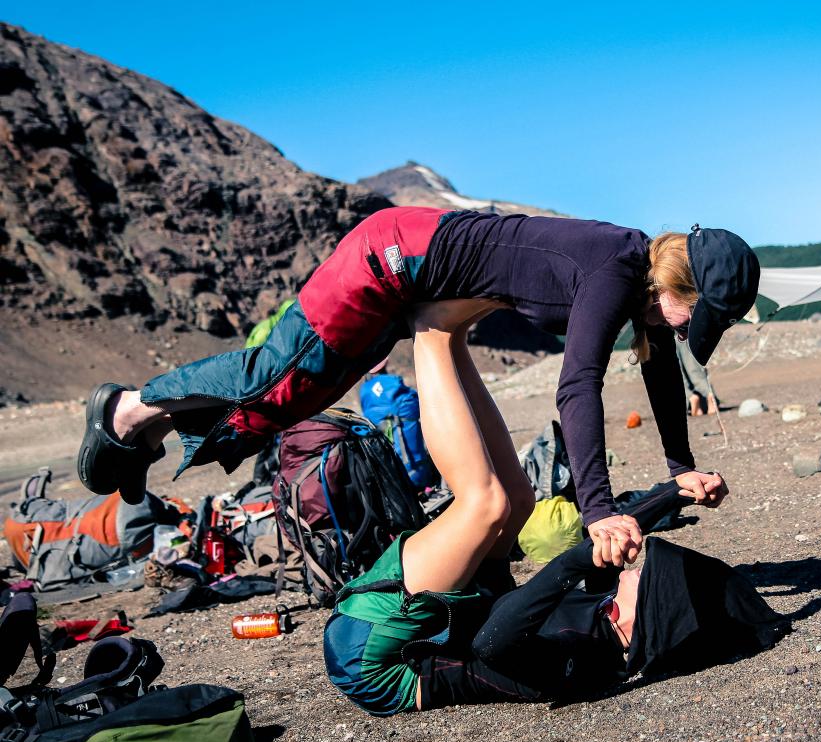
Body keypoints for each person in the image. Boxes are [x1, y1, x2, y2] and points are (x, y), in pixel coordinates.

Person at [76, 207, 760, 568]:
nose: (695, 330)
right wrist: (600, 506)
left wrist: (681, 468)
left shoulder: (643, 295)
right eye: (700, 315)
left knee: (298, 398)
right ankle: (127, 408)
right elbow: (577, 386)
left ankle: (150, 433)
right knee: (276, 375)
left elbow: (663, 382)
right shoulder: (616, 269)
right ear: (678, 285)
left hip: (415, 276)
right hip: (394, 254)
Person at [323, 477, 789, 714]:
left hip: (378, 665)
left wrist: (573, 563)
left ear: (638, 618)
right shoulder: (609, 618)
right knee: (515, 496)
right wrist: (673, 495)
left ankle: (438, 336)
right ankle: (452, 340)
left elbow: (493, 643)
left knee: (486, 503)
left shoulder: (584, 660)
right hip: (449, 619)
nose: (637, 568)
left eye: (646, 576)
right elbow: (611, 539)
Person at [676, 339, 720, 416]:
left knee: (677, 374)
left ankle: (691, 397)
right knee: (695, 370)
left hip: (663, 333)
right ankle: (709, 393)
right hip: (684, 332)